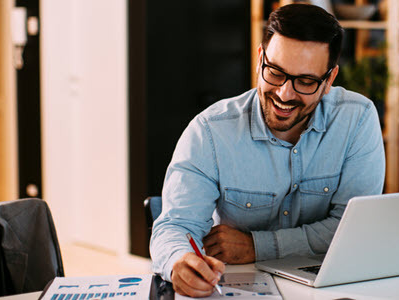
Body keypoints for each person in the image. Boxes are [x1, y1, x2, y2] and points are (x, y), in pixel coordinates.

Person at [150, 4, 385, 298]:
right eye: (275, 72)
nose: (285, 94)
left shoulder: (357, 119)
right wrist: (178, 262)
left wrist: (256, 246)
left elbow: (350, 228)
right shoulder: (210, 131)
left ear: (329, 80)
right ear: (260, 58)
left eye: (306, 81)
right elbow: (174, 227)